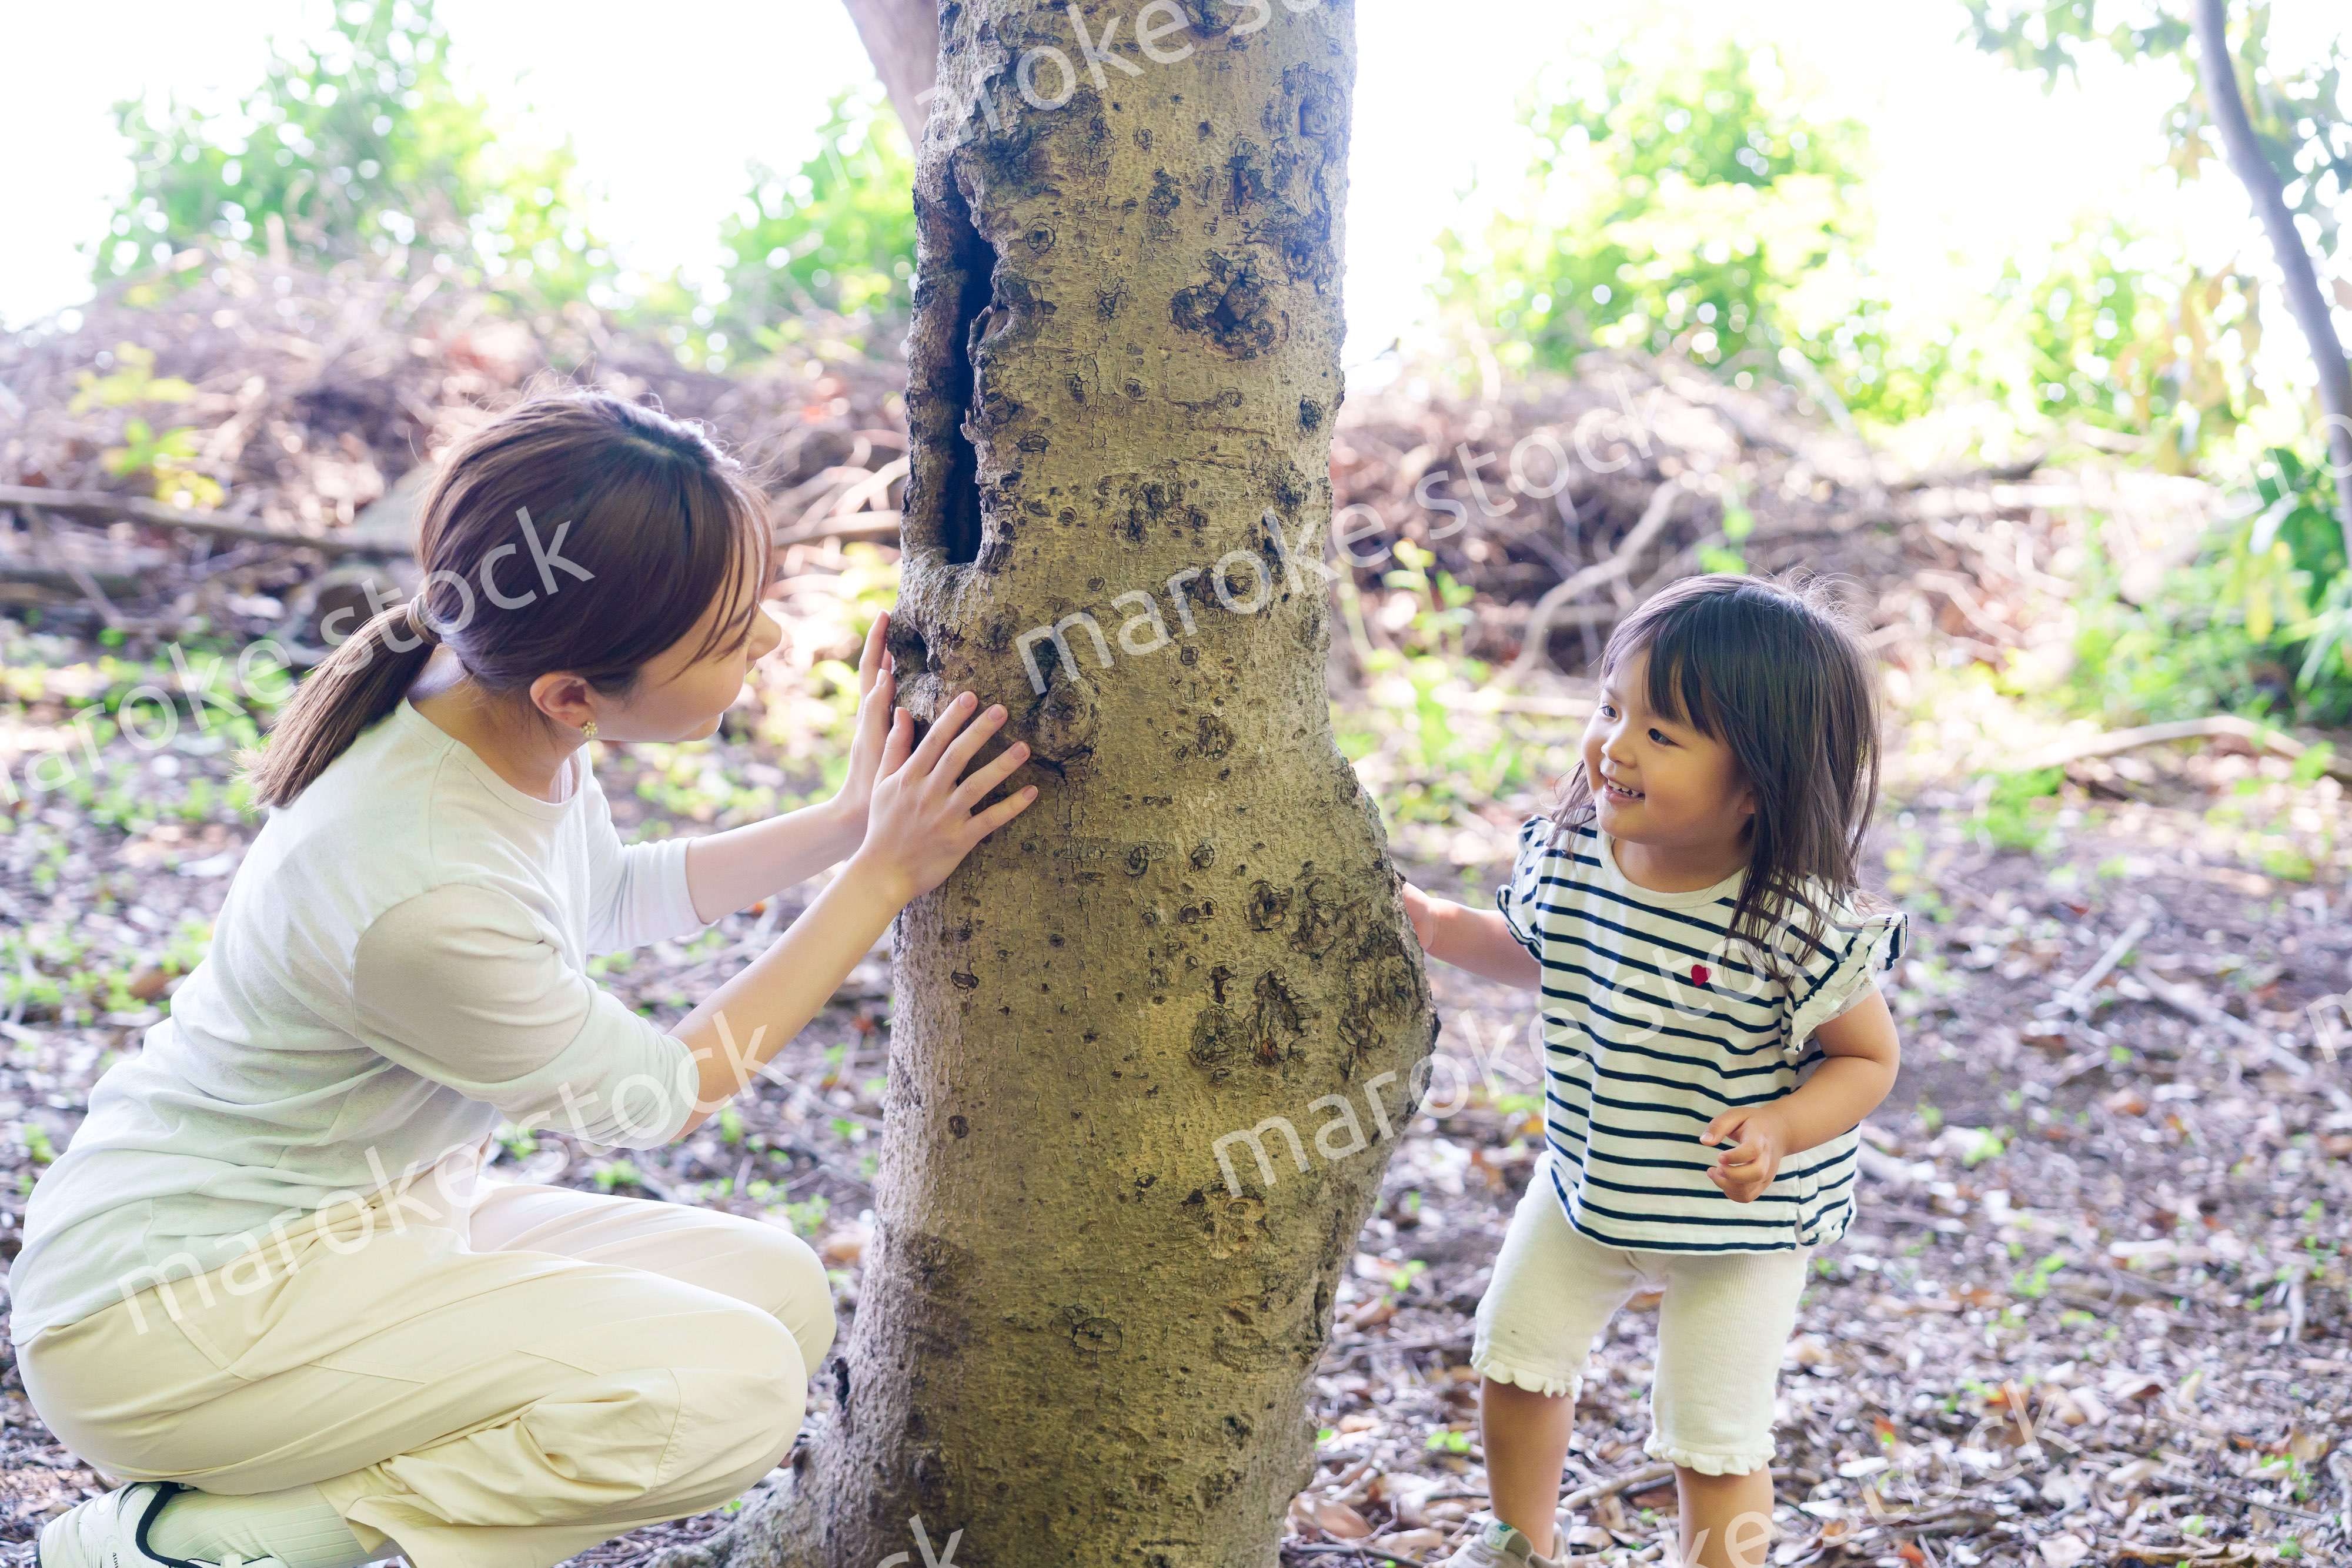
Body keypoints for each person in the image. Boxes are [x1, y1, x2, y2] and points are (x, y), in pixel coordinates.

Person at [15, 390, 1036, 1568]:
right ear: (571, 690)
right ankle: (197, 1543)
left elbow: (602, 893)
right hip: (179, 1316)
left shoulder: (490, 714)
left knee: (780, 1294)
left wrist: (845, 820)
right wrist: (876, 878)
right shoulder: (421, 887)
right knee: (732, 1386)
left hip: (373, 1221)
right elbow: (664, 1097)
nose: (766, 642)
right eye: (728, 632)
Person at [1401, 574, 1907, 1568]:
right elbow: (1543, 948)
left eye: (1662, 734)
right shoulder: (1581, 856)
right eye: (1609, 706)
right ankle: (1519, 1544)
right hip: (1594, 1178)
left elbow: (1867, 1058)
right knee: (1516, 1355)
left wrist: (1781, 1126)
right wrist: (1438, 928)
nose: (1613, 746)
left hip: (1742, 1225)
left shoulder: (1790, 919)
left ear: (1759, 778)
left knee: (1711, 1433)